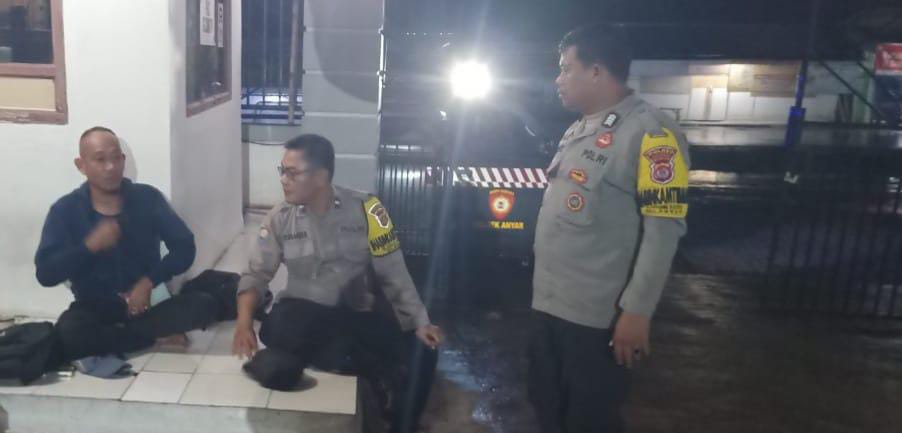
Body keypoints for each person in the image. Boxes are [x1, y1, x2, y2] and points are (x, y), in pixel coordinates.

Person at [529, 24, 690, 433]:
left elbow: (663, 230)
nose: (558, 79)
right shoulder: (581, 128)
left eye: (567, 68)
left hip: (597, 319)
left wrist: (637, 311)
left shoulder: (653, 134)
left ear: (597, 71)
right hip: (550, 306)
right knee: (548, 409)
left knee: (590, 419)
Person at [232, 134, 443, 433]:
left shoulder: (369, 210)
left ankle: (401, 424)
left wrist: (419, 322)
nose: (283, 180)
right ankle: (369, 368)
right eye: (282, 171)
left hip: (353, 316)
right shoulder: (280, 218)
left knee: (424, 351)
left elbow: (393, 271)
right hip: (301, 315)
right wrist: (243, 324)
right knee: (279, 326)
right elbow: (256, 274)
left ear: (320, 176)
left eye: (292, 173)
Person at [34, 126, 217, 364]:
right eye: (100, 160)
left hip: (148, 302)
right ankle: (149, 337)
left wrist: (148, 282)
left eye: (115, 158)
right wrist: (89, 247)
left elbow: (184, 248)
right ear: (81, 165)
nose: (111, 167)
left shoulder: (147, 198)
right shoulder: (65, 210)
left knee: (204, 305)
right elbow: (46, 274)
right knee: (69, 333)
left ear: (123, 160)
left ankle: (125, 337)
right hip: (95, 305)